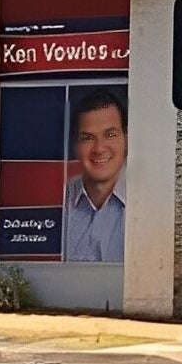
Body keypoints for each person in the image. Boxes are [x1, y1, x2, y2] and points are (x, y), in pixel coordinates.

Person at [63, 89, 127, 263]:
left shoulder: (150, 202)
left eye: (110, 135)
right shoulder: (58, 201)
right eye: (87, 138)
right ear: (75, 146)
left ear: (126, 139)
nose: (99, 149)